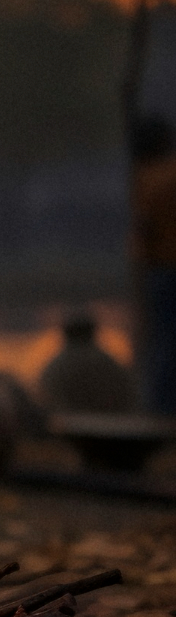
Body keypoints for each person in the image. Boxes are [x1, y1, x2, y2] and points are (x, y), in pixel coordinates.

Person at [131, 115, 176, 415]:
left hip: (158, 267)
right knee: (166, 342)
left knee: (161, 340)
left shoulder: (142, 178)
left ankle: (160, 408)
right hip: (165, 267)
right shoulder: (167, 175)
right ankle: (163, 409)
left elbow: (143, 226)